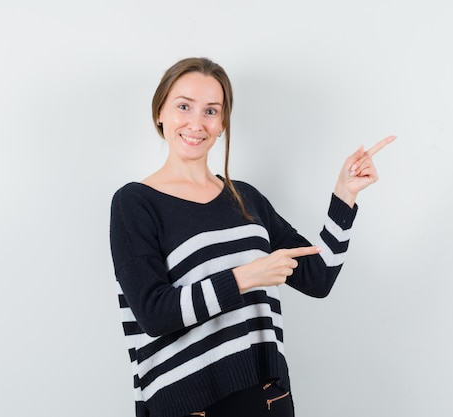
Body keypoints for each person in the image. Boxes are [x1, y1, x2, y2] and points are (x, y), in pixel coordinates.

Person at [109, 57, 396, 417]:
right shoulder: (134, 203)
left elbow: (317, 277)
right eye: (184, 106)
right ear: (160, 112)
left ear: (223, 123)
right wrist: (246, 277)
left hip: (266, 398)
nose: (196, 123)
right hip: (188, 405)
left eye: (211, 111)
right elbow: (154, 314)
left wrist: (344, 195)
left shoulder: (245, 198)